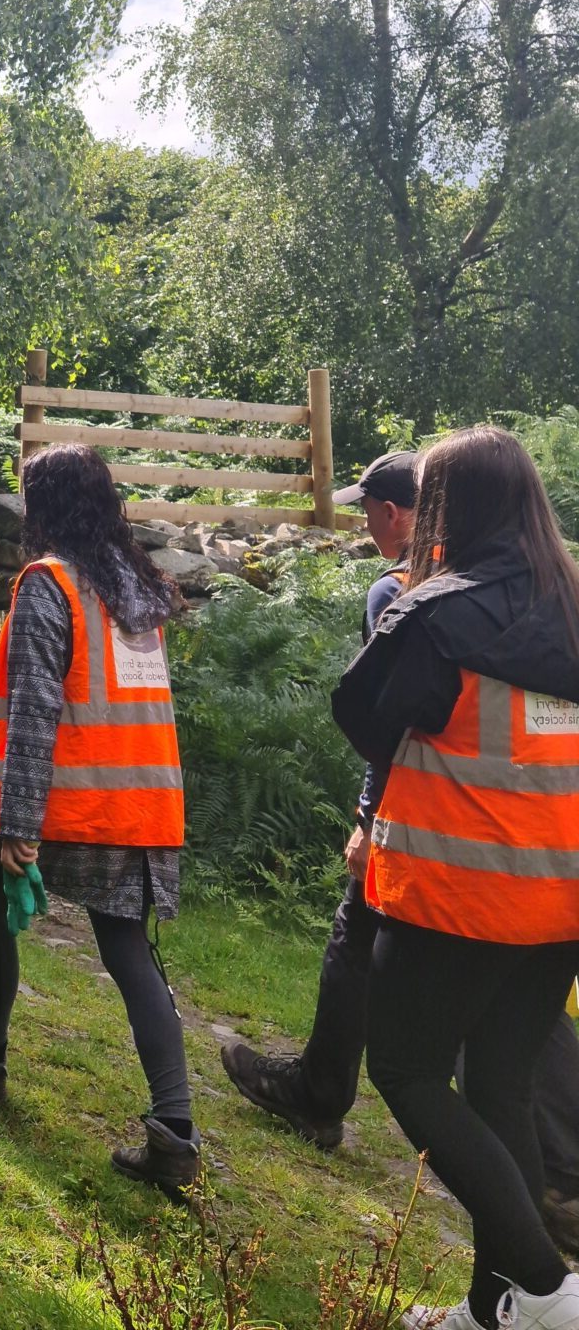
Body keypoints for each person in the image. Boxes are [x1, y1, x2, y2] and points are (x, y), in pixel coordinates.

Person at [333, 425, 579, 1330]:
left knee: (403, 1069)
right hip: (561, 906)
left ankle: (550, 1294)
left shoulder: (437, 615)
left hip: (457, 897)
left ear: (448, 509)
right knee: (500, 1090)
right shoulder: (575, 608)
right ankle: (493, 1312)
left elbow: (365, 720)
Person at [0, 444, 201, 1194]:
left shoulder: (51, 586)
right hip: (143, 804)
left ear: (46, 509)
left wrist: (20, 822)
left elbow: (36, 711)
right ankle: (176, 1131)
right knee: (132, 954)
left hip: (73, 803)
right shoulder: (134, 584)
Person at [220, 449, 420, 1146]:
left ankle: (318, 1094)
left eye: (366, 508)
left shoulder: (395, 591)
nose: (364, 521)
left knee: (357, 940)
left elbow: (388, 726)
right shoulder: (494, 581)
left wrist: (367, 820)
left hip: (415, 812)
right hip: (508, 823)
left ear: (391, 513)